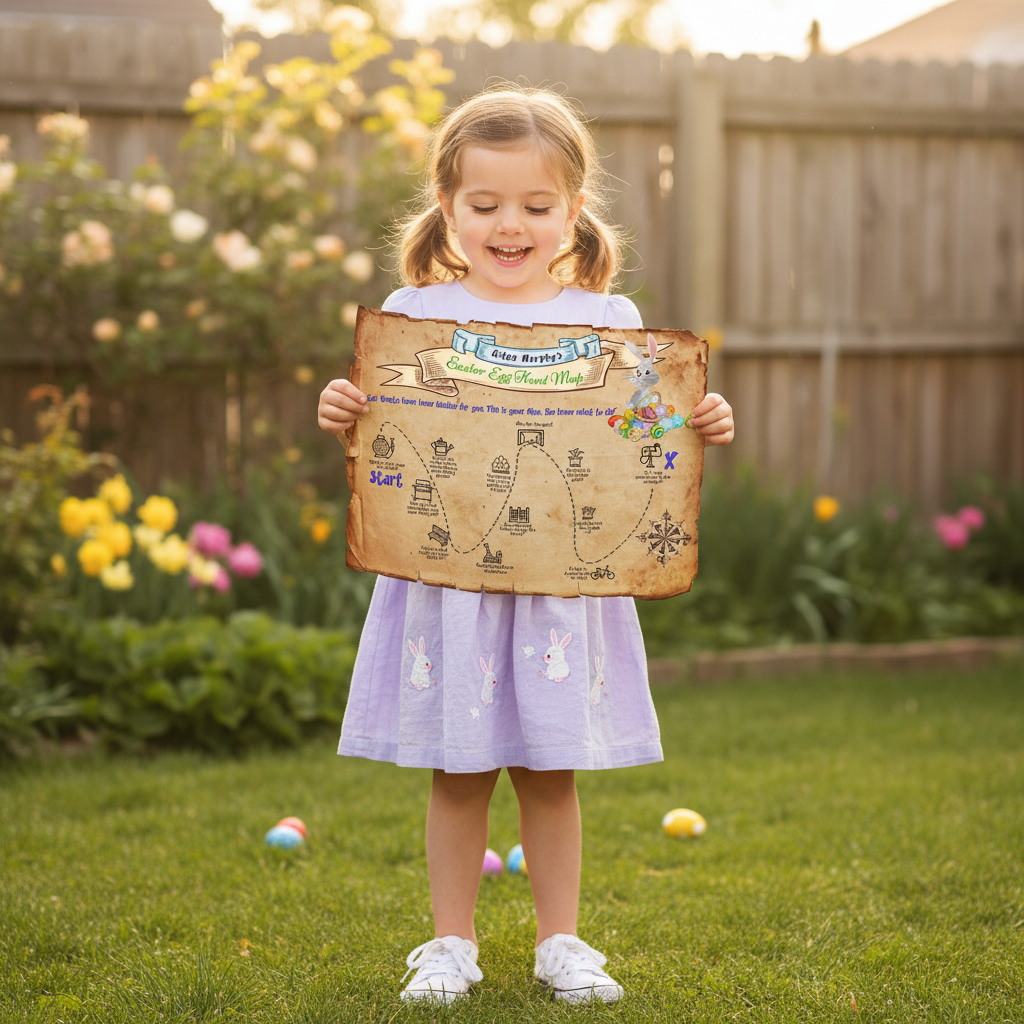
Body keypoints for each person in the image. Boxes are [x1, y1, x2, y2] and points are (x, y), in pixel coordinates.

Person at [317, 86, 734, 1004]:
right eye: (485, 204)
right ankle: (449, 945)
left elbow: (644, 430)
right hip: (452, 589)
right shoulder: (411, 311)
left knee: (551, 771)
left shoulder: (609, 322)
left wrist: (697, 417)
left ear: (573, 213)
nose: (512, 225)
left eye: (537, 207)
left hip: (560, 590)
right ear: (448, 208)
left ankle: (563, 943)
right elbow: (386, 431)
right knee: (458, 772)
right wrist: (343, 409)